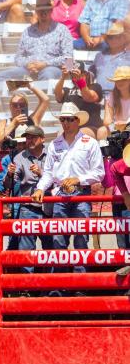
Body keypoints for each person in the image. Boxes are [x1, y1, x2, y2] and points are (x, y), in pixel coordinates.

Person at [32, 103, 105, 259]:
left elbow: (99, 173)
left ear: (77, 120)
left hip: (82, 195)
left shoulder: (90, 142)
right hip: (60, 195)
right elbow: (49, 173)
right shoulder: (54, 144)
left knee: (81, 240)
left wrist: (78, 179)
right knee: (58, 240)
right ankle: (61, 280)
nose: (65, 123)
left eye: (69, 119)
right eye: (63, 120)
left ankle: (79, 280)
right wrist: (40, 188)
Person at [0, 0, 73, 81]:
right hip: (29, 69)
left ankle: (42, 94)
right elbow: (18, 58)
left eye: (46, 10)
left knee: (47, 74)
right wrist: (29, 64)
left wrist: (45, 64)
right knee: (0, 76)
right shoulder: (27, 32)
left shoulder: (62, 30)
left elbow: (68, 58)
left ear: (51, 10)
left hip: (52, 68)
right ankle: (18, 94)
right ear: (36, 12)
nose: (43, 13)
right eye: (40, 10)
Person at [3, 126, 52, 258]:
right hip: (28, 208)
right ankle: (27, 278)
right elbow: (7, 185)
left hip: (50, 207)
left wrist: (41, 173)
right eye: (27, 137)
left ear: (42, 139)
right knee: (26, 250)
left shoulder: (52, 154)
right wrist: (9, 174)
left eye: (33, 137)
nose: (29, 140)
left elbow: (59, 180)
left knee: (52, 249)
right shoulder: (20, 158)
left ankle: (51, 278)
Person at [54, 61, 104, 138]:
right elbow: (58, 95)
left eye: (80, 73)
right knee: (61, 135)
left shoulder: (95, 87)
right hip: (70, 127)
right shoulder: (68, 90)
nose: (75, 76)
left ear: (87, 74)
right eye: (72, 74)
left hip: (91, 126)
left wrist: (80, 80)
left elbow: (89, 97)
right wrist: (63, 77)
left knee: (79, 135)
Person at [89, 23, 130, 96]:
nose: (114, 40)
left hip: (121, 96)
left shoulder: (128, 56)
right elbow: (91, 73)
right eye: (110, 37)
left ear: (123, 38)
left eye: (117, 37)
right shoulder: (99, 56)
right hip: (99, 95)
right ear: (107, 39)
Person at [103, 66, 130, 132]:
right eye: (117, 80)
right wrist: (115, 127)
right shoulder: (111, 97)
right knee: (102, 131)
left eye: (123, 80)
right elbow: (107, 120)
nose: (120, 82)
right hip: (117, 129)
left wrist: (125, 125)